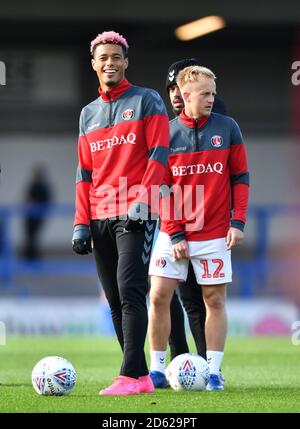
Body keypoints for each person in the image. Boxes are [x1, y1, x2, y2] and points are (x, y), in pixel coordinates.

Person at [72, 31, 170, 396]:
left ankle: (128, 376)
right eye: (103, 57)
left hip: (136, 212)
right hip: (99, 215)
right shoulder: (88, 114)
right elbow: (83, 174)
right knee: (114, 298)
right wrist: (81, 223)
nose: (110, 62)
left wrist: (143, 203)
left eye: (116, 56)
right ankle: (141, 376)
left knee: (132, 289)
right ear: (94, 64)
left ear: (125, 62)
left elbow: (160, 153)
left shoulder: (147, 100)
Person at [148, 65, 249, 391]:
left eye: (213, 93)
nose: (211, 99)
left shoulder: (228, 128)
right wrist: (175, 232)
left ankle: (215, 373)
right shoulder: (165, 132)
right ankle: (157, 370)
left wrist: (238, 221)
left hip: (215, 233)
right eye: (205, 93)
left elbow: (240, 178)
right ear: (186, 95)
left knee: (214, 300)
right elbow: (161, 188)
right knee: (159, 296)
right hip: (172, 231)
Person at [22, 164, 53, 259]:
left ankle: (33, 256)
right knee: (29, 235)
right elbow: (26, 199)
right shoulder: (32, 185)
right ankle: (29, 256)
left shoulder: (44, 187)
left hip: (38, 215)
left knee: (33, 236)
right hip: (30, 215)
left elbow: (47, 200)